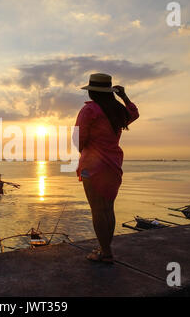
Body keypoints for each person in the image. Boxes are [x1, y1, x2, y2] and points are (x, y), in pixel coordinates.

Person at [75, 73, 139, 263]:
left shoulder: (90, 110)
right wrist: (124, 96)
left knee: (97, 210)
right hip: (113, 165)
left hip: (92, 167)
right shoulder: (117, 111)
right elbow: (134, 113)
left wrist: (84, 151)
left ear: (92, 92)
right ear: (109, 91)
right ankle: (105, 248)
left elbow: (77, 140)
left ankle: (105, 253)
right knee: (108, 209)